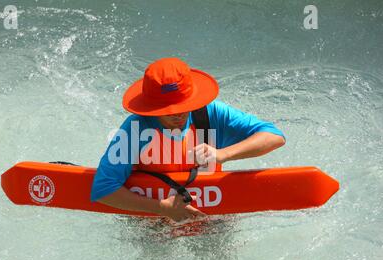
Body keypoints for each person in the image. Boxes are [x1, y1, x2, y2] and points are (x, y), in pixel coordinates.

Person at [91, 57, 285, 222]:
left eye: (183, 106)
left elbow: (274, 136)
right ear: (151, 106)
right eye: (169, 110)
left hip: (210, 215)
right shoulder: (135, 128)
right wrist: (161, 208)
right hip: (152, 218)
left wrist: (223, 154)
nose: (178, 115)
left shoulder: (210, 114)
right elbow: (103, 188)